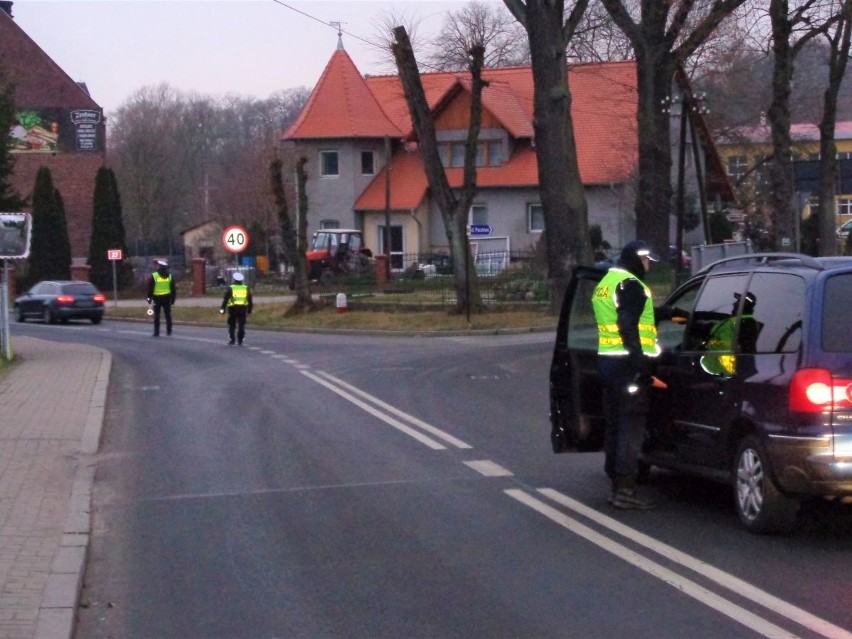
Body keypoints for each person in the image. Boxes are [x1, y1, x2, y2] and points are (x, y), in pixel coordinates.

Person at [591, 240, 661, 510]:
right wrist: (640, 362)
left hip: (607, 362)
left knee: (615, 425)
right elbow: (627, 323)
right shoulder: (632, 285)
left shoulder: (606, 283)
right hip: (627, 367)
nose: (649, 266)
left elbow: (620, 316)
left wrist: (666, 313)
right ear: (637, 259)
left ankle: (615, 485)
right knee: (631, 428)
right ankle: (625, 490)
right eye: (647, 261)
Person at [700, 292, 760, 376]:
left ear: (744, 305)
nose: (734, 304)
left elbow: (742, 350)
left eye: (738, 302)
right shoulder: (737, 322)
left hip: (727, 375)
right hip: (723, 373)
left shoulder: (745, 323)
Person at [219, 271, 253, 345]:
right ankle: (240, 340)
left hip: (232, 309)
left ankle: (232, 340)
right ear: (241, 280)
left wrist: (222, 309)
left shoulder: (231, 288)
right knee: (241, 325)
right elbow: (250, 300)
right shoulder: (246, 288)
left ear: (234, 280)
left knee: (231, 325)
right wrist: (249, 310)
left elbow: (225, 299)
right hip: (243, 309)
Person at [147, 260, 176, 337]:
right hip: (167, 298)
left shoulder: (154, 275)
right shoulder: (170, 276)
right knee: (168, 315)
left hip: (157, 298)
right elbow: (173, 289)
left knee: (157, 316)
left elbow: (150, 288)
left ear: (160, 267)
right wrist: (173, 299)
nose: (156, 266)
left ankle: (156, 332)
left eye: (157, 265)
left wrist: (149, 299)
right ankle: (169, 331)